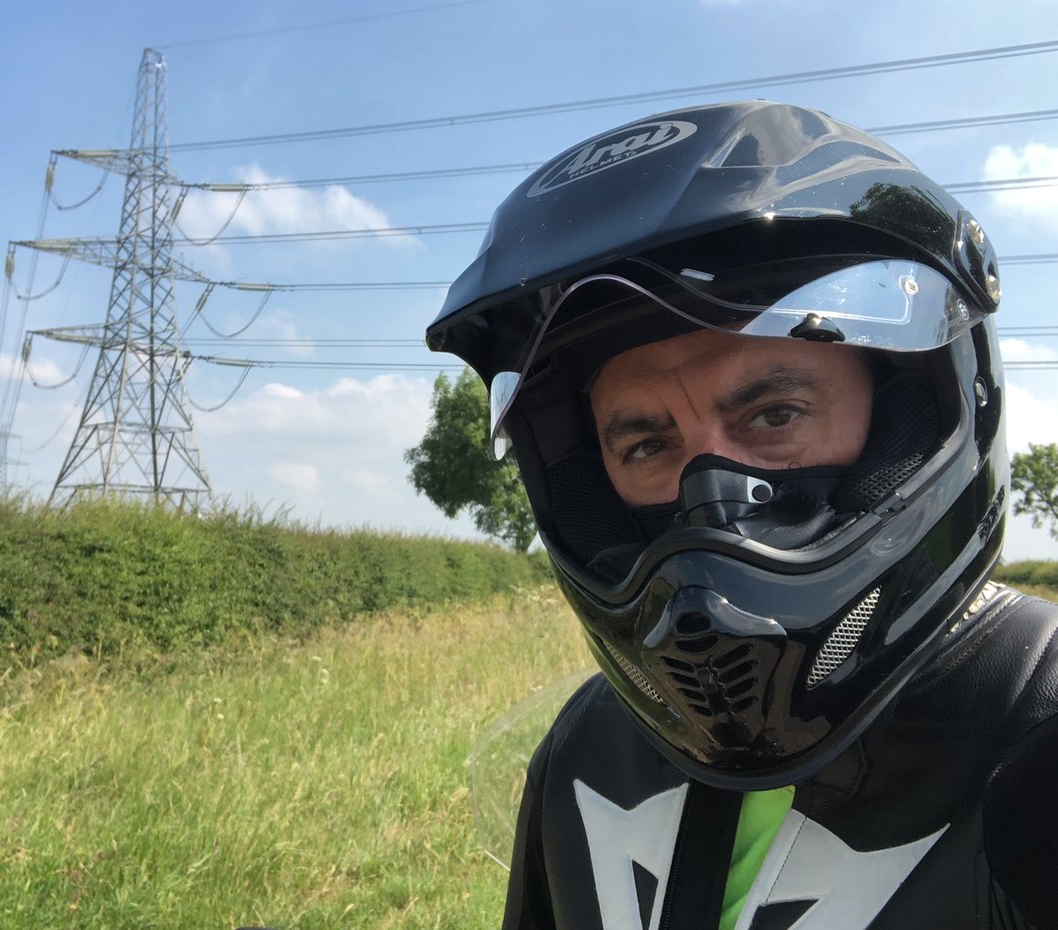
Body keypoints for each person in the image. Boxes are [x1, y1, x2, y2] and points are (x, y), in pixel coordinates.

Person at [424, 101, 1058, 929]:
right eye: (647, 446)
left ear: (917, 413)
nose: (711, 505)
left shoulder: (1036, 732)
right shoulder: (587, 751)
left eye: (773, 415)